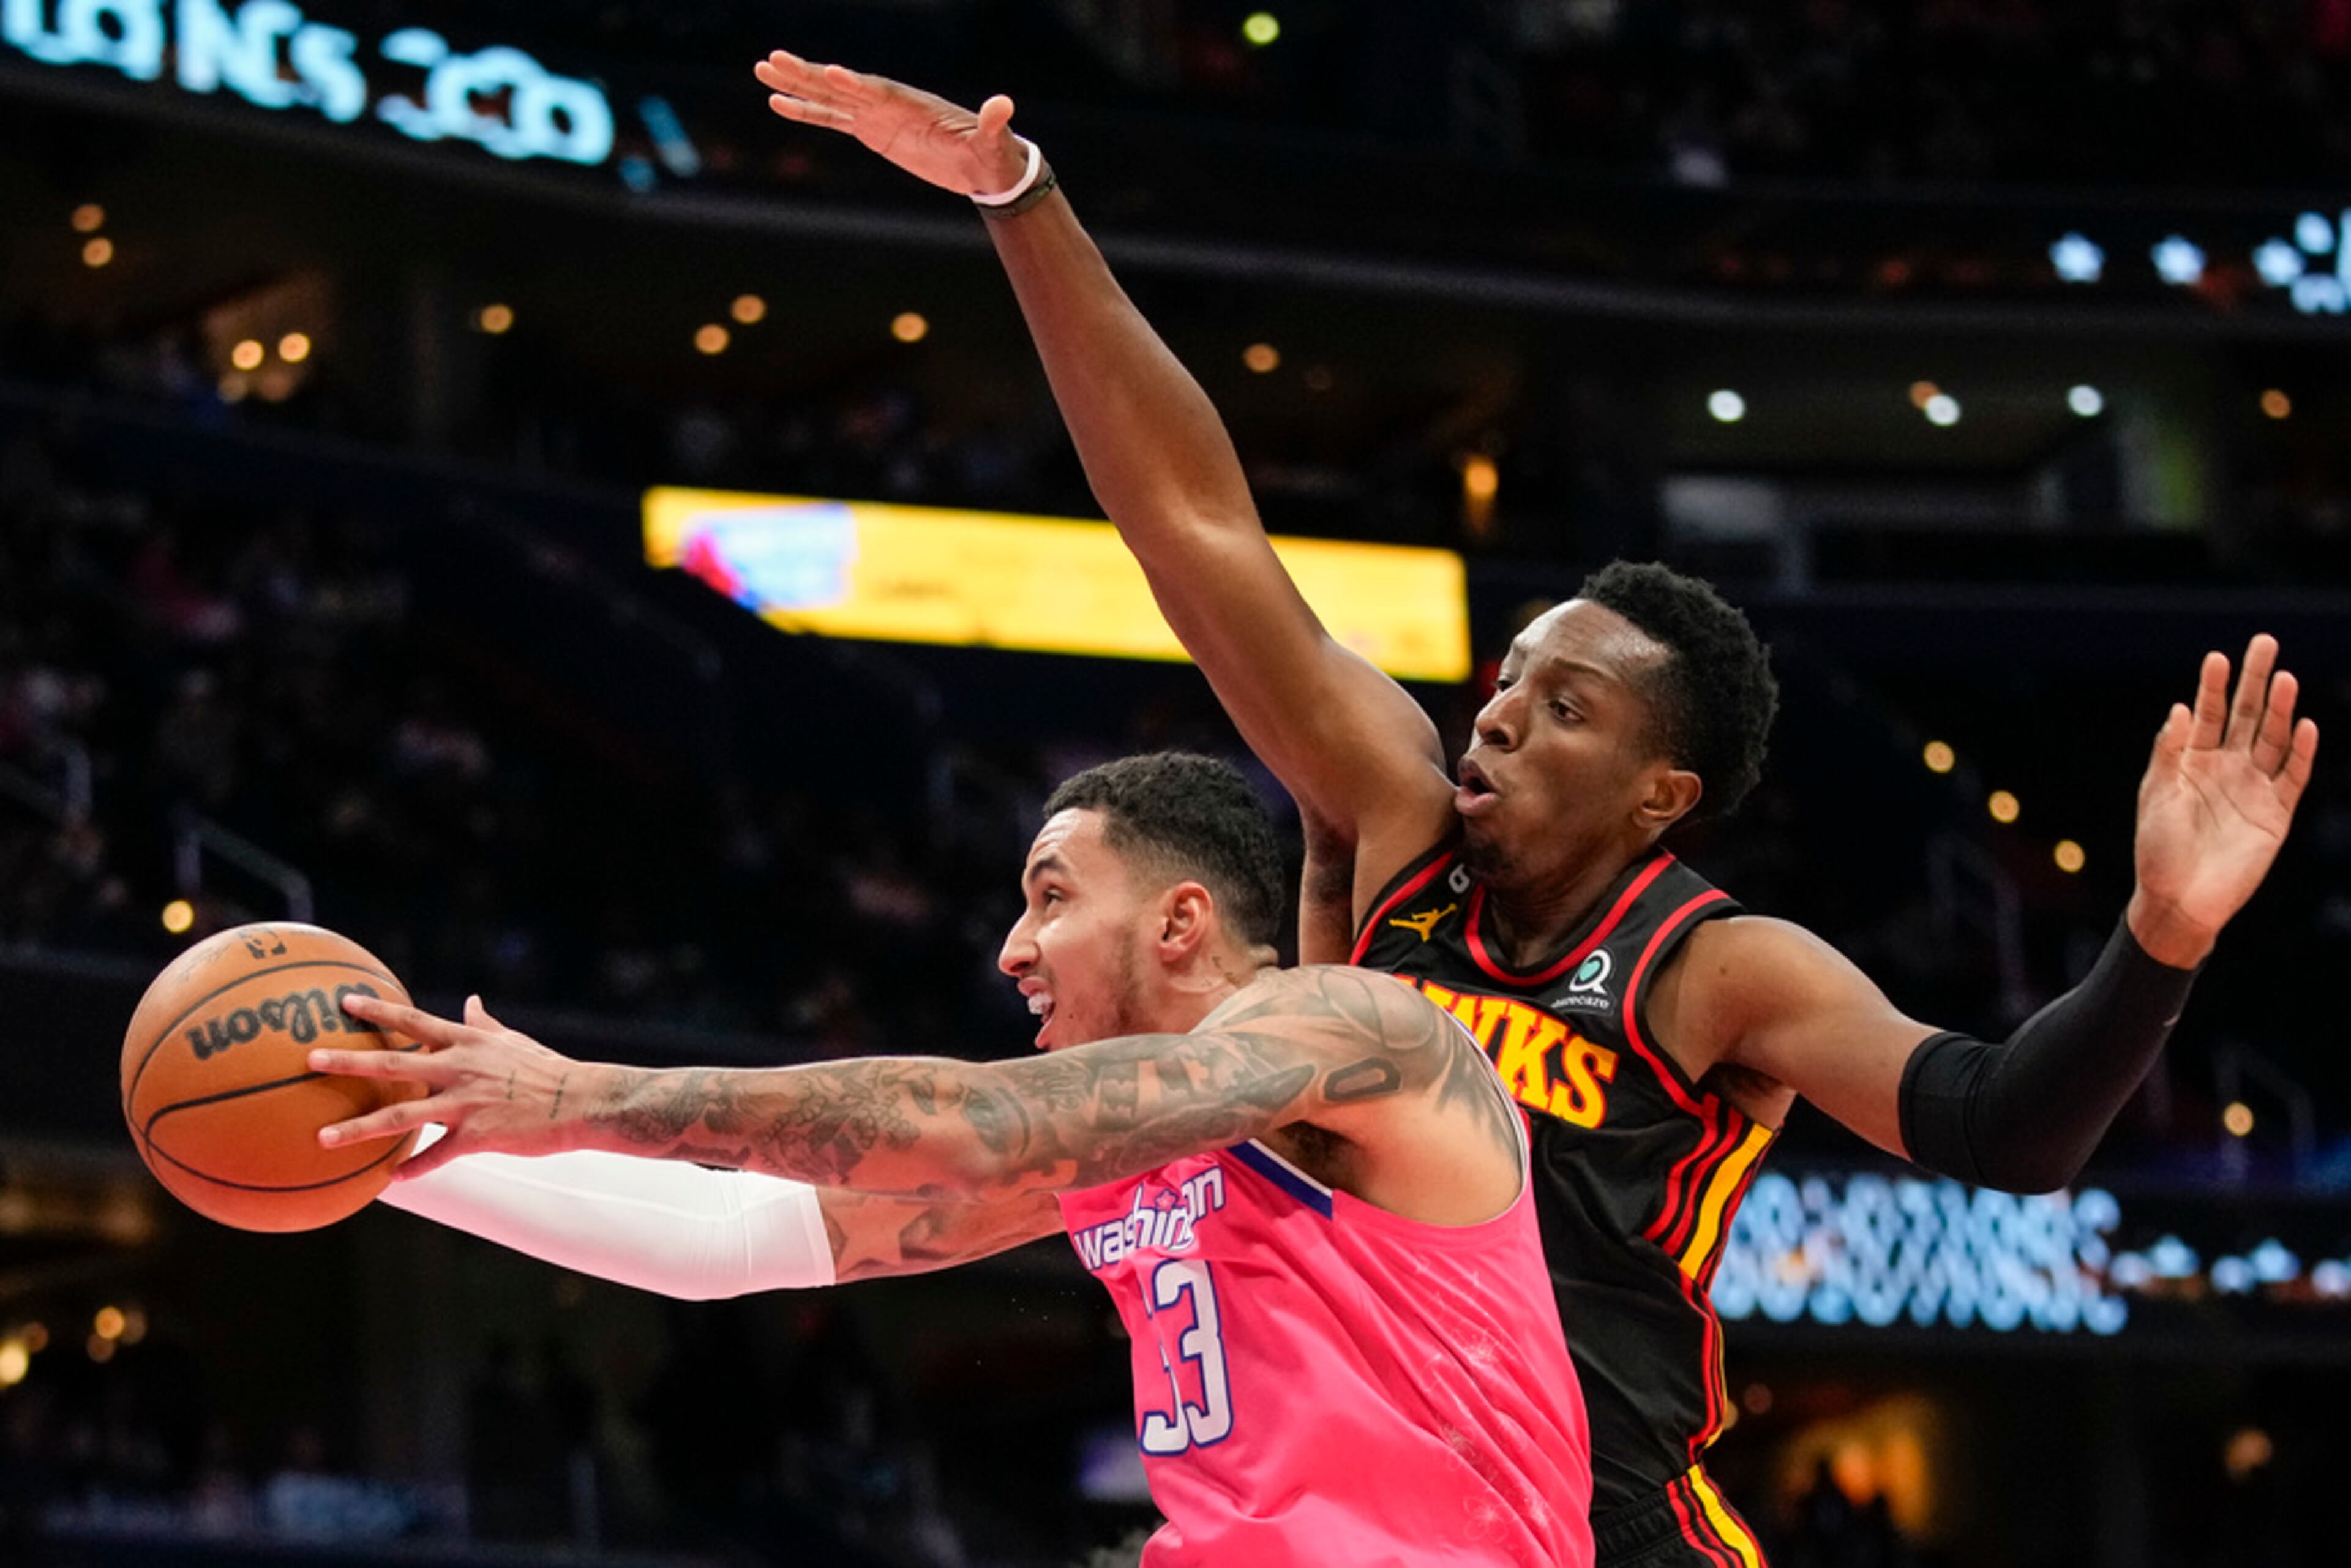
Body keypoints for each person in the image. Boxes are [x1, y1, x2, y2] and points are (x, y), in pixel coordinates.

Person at [744, 50, 2323, 1568]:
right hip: (1382, 1497)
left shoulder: (1718, 970)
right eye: (1510, 677)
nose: (1497, 709)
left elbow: (2003, 1128)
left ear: (1663, 794)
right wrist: (1019, 193)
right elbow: (1193, 527)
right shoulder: (1395, 825)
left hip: (1617, 1519)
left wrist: (2163, 935)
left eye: (1564, 707)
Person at [320, 753, 1597, 1568]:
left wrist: (576, 1093)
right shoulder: (1116, 1151)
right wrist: (395, 1150)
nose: (1010, 948)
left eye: (1050, 897)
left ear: (1181, 920)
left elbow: (977, 1120)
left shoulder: (1358, 1031)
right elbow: (726, 1242)